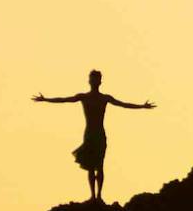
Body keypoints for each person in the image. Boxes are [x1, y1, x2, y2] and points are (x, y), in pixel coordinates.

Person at [33, 69, 155, 201]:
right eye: (92, 79)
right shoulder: (83, 97)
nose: (94, 81)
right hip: (89, 134)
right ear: (89, 81)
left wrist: (142, 106)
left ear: (100, 82)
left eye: (96, 79)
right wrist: (45, 99)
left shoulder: (105, 98)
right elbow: (64, 99)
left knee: (100, 165)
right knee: (90, 166)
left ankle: (99, 196)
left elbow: (123, 104)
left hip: (100, 135)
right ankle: (92, 195)